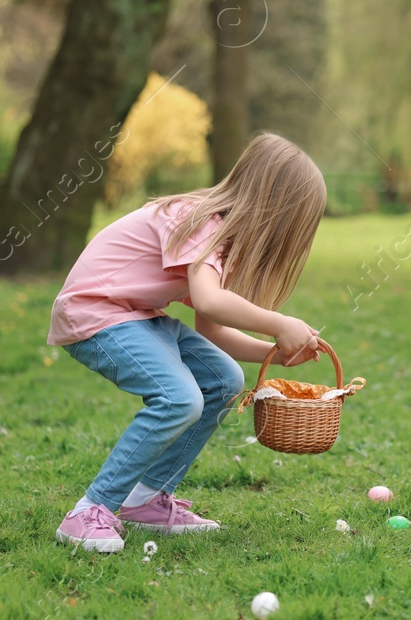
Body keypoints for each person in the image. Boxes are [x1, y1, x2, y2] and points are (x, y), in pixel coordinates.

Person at [48, 134, 325, 552]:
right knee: (179, 398)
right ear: (276, 210)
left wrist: (275, 355)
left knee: (224, 378)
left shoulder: (219, 239)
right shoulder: (196, 220)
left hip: (137, 315)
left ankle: (144, 501)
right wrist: (278, 324)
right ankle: (90, 510)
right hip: (95, 311)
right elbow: (214, 302)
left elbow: (212, 326)